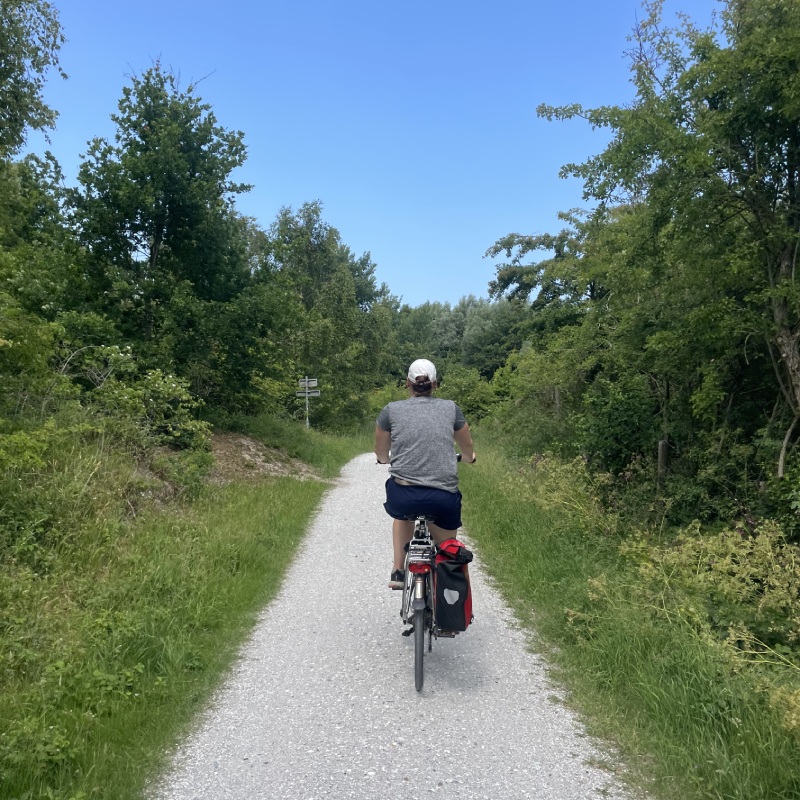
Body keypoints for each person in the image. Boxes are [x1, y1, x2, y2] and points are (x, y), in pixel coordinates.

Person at [374, 358, 476, 589]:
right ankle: (450, 604)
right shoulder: (451, 408)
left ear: (407, 384)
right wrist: (469, 458)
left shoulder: (391, 410)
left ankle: (398, 570)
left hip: (404, 494)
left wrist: (384, 459)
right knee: (448, 547)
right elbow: (466, 444)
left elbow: (381, 450)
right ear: (435, 384)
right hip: (443, 498)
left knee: (402, 514)